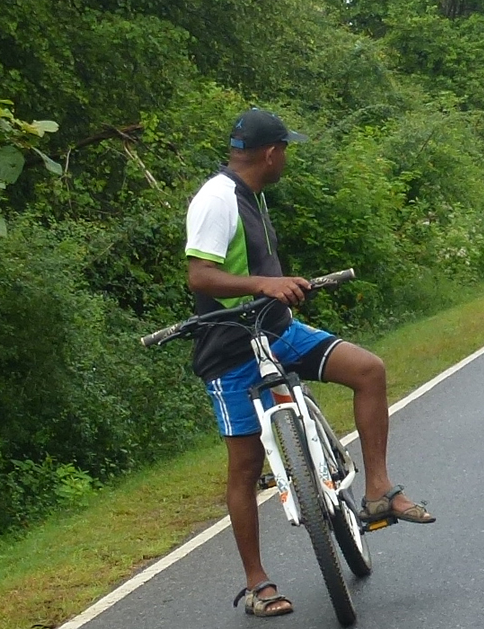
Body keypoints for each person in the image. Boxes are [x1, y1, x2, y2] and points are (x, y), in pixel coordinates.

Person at [185, 108, 435, 618]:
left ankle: (379, 490)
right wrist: (263, 284)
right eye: (286, 150)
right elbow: (200, 277)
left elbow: (254, 268)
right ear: (272, 153)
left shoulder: (251, 195)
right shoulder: (216, 199)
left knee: (368, 370)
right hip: (229, 348)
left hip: (279, 331)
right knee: (245, 466)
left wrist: (276, 286)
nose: (287, 160)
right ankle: (257, 584)